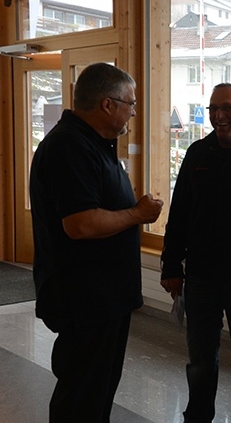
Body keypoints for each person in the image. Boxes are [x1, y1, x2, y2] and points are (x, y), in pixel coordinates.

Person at [29, 62, 164, 423]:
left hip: (103, 297)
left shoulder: (93, 143)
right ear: (107, 104)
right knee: (82, 393)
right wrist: (137, 214)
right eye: (130, 104)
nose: (133, 112)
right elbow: (81, 224)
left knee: (97, 390)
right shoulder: (70, 146)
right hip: (85, 298)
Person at [160, 83, 231, 423]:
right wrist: (170, 265)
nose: (219, 116)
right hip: (201, 275)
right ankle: (198, 417)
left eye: (227, 108)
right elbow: (180, 211)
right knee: (200, 360)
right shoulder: (198, 152)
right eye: (213, 109)